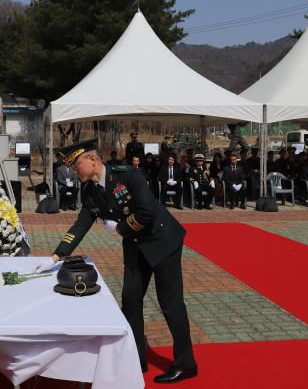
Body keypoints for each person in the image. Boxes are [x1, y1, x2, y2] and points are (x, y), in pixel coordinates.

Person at [33, 139, 198, 383]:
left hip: (162, 241)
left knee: (170, 304)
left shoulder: (127, 174)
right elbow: (80, 225)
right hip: (135, 246)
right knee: (130, 300)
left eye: (76, 164)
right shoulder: (89, 191)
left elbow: (147, 211)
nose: (73, 170)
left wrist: (120, 226)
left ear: (92, 159)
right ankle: (136, 358)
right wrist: (55, 256)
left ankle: (186, 363)